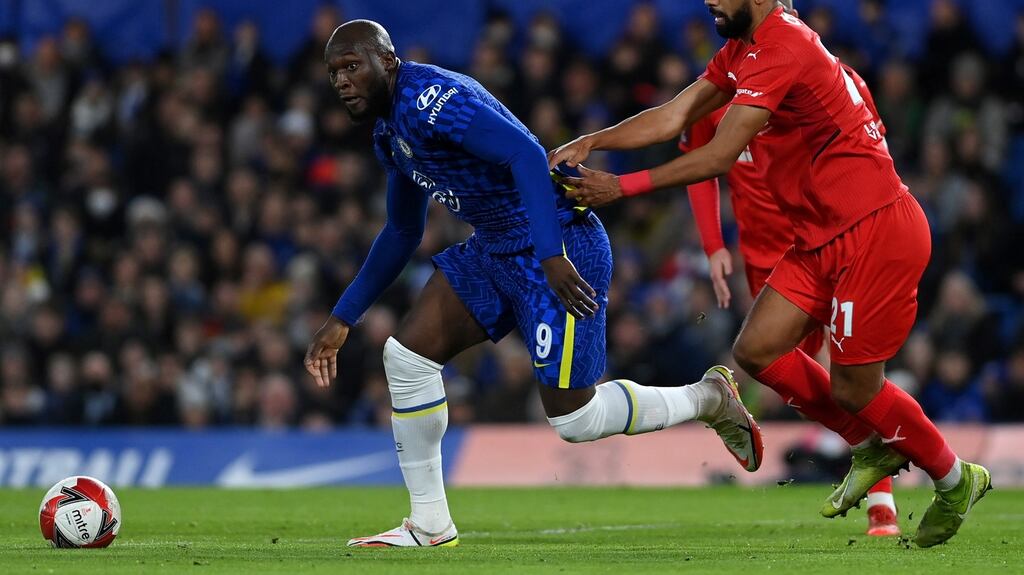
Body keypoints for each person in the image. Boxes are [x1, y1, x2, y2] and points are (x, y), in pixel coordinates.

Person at [304, 19, 763, 549]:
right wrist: (343, 317)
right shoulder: (392, 131)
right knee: (407, 359)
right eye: (334, 72)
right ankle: (429, 524)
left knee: (577, 420)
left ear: (387, 61)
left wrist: (550, 255)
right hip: (496, 247)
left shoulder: (431, 100)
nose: (341, 81)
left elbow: (524, 152)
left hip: (558, 243)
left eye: (352, 66)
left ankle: (708, 398)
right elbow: (404, 229)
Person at [548, 0, 989, 548]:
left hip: (873, 233)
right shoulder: (743, 49)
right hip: (817, 237)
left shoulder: (782, 49)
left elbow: (718, 156)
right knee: (757, 350)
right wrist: (595, 140)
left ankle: (955, 477)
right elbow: (674, 115)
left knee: (856, 388)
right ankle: (870, 446)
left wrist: (622, 185)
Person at [679, 0, 899, 538]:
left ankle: (883, 500)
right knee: (794, 372)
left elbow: (868, 149)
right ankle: (869, 453)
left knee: (850, 366)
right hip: (766, 258)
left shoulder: (820, 77)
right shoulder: (721, 91)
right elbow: (699, 166)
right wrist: (713, 244)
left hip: (828, 241)